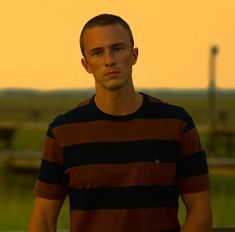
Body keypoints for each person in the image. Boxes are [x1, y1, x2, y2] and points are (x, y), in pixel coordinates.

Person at [29, 14, 212, 231]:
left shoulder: (176, 124)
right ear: (86, 64)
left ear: (134, 55)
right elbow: (43, 218)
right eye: (98, 52)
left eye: (117, 49)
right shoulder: (63, 132)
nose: (109, 60)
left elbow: (201, 212)